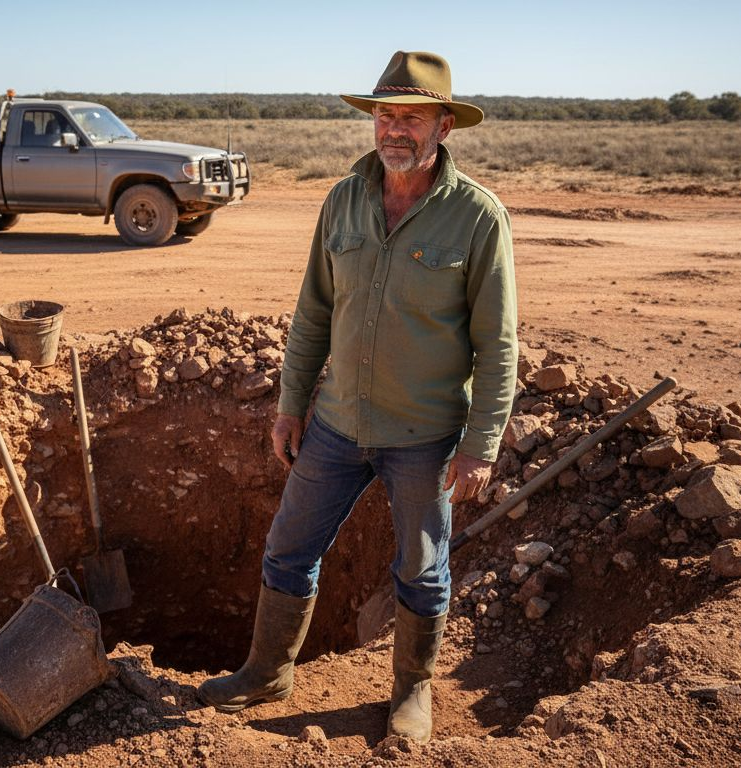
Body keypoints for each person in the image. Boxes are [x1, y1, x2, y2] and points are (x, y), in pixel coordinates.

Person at [197, 51, 518, 743]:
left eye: (411, 116)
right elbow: (313, 312)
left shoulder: (477, 217)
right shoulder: (342, 199)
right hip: (337, 423)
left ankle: (412, 694)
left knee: (422, 571)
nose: (394, 129)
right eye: (384, 115)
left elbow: (498, 345)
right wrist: (290, 404)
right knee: (288, 549)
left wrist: (480, 447)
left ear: (443, 126)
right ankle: (266, 672)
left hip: (426, 435)